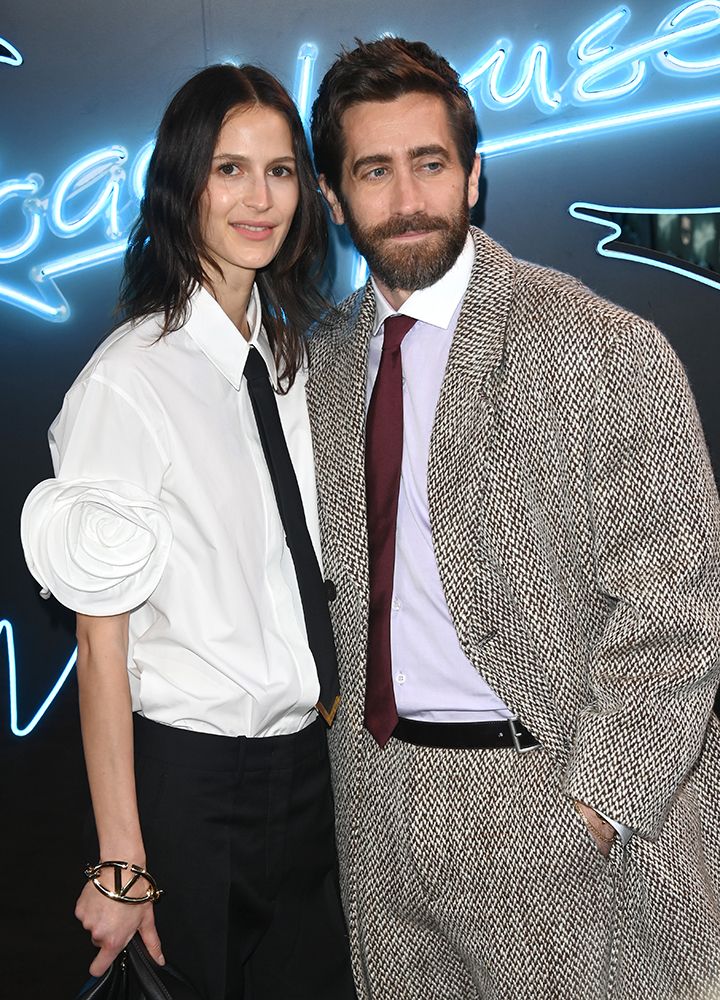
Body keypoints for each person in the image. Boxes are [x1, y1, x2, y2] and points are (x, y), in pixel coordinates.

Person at [306, 36, 720, 1000]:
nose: (407, 197)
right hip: (374, 802)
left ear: (475, 176)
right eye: (374, 170)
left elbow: (676, 612)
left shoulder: (601, 346)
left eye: (431, 163)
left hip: (544, 796)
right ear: (333, 197)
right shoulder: (318, 363)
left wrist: (596, 808)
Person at [21, 63, 355, 1000]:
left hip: (311, 776)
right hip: (193, 787)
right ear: (183, 185)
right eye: (230, 170)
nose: (261, 199)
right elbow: (100, 641)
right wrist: (122, 860)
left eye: (282, 171)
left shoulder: (292, 359)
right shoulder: (129, 380)